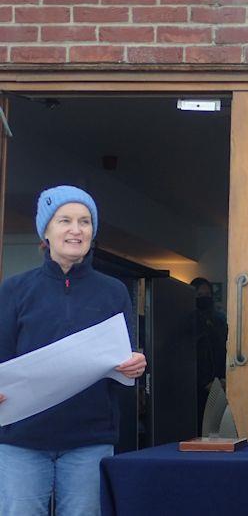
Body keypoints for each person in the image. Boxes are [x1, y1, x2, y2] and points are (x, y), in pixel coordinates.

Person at [0, 185, 146, 516]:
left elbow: (123, 356)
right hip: (21, 439)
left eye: (85, 221)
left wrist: (134, 365)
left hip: (89, 439)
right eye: (64, 220)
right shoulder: (14, 291)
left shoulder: (114, 292)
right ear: (45, 231)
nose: (75, 230)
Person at [190, 277, 228, 432]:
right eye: (199, 294)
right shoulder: (188, 320)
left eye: (207, 294)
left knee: (216, 426)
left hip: (220, 382)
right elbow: (191, 353)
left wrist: (225, 377)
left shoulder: (219, 320)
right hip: (195, 386)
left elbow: (224, 348)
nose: (204, 297)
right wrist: (204, 380)